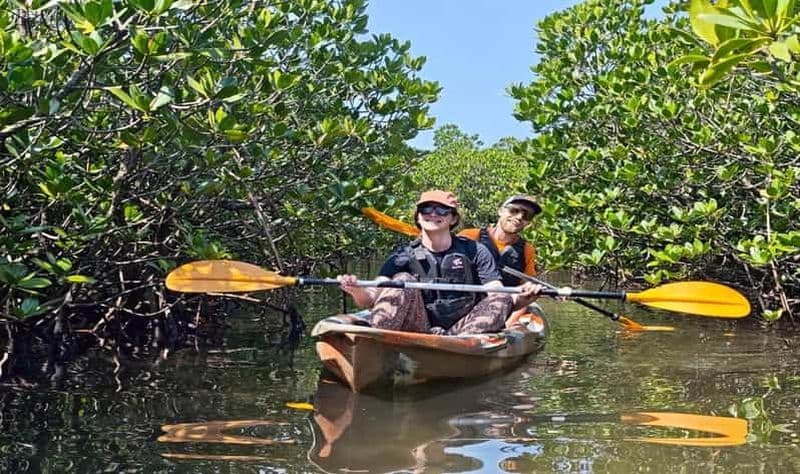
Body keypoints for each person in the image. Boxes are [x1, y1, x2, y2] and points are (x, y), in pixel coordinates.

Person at [338, 190, 541, 335]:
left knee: (503, 297)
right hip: (417, 324)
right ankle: (376, 341)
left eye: (442, 210)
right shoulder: (402, 255)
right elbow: (373, 296)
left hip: (463, 331)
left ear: (453, 219)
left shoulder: (475, 250)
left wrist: (523, 298)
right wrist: (356, 290)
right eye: (427, 209)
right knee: (400, 279)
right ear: (418, 217)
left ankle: (454, 353)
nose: (433, 214)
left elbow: (496, 291)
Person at [458, 195, 542, 286]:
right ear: (501, 211)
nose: (519, 217)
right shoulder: (468, 236)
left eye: (527, 215)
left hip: (506, 299)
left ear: (529, 222)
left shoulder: (527, 250)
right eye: (514, 210)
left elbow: (526, 285)